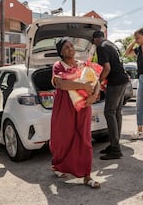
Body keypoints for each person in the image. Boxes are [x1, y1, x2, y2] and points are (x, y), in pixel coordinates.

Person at [50, 37, 101, 188]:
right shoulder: (58, 65)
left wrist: (93, 96)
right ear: (60, 52)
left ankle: (87, 175)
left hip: (83, 105)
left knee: (84, 138)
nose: (70, 49)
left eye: (71, 46)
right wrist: (82, 85)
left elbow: (96, 81)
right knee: (63, 138)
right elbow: (60, 83)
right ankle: (60, 165)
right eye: (66, 47)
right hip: (64, 105)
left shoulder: (83, 65)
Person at [92, 30, 129, 160]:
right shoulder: (111, 45)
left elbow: (107, 68)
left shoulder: (101, 47)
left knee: (109, 112)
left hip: (115, 83)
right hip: (124, 80)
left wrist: (97, 83)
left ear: (96, 39)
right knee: (117, 113)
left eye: (93, 41)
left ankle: (115, 149)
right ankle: (114, 144)